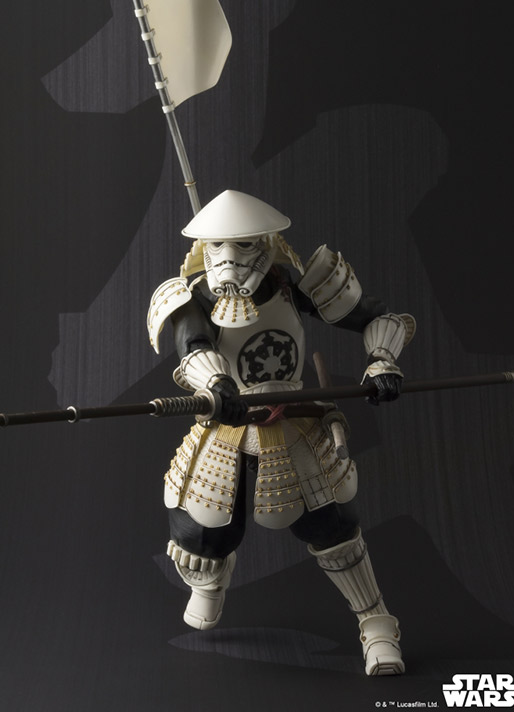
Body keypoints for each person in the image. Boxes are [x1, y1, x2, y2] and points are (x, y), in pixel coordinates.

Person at [147, 190, 414, 676]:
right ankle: (210, 581)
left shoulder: (295, 283)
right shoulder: (192, 296)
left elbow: (375, 317)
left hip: (293, 422)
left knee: (334, 529)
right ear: (204, 246)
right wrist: (217, 382)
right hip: (226, 426)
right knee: (200, 530)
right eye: (218, 245)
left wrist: (381, 361)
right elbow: (193, 346)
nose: (230, 257)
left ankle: (375, 622)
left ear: (267, 242)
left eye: (244, 244)